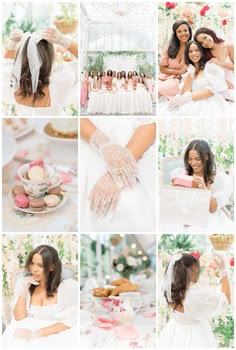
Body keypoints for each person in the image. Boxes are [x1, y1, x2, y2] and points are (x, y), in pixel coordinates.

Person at [80, 118, 156, 232]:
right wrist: (103, 143)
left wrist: (118, 170)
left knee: (127, 205)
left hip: (135, 141)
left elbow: (150, 124)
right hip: (89, 134)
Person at [2, 245, 78, 347]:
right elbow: (19, 317)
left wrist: (35, 334)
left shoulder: (67, 288)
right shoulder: (24, 283)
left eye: (40, 265)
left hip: (55, 333)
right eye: (32, 264)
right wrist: (24, 290)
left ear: (51, 267)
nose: (34, 269)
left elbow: (68, 322)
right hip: (28, 330)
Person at [159, 252, 231, 348]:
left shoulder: (169, 291)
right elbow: (226, 299)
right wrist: (223, 269)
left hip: (175, 333)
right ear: (190, 270)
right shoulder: (194, 296)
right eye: (196, 267)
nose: (198, 270)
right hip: (196, 336)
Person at [160, 139, 233, 233]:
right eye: (190, 159)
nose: (193, 163)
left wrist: (203, 188)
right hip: (183, 214)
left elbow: (213, 209)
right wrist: (175, 189)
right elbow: (174, 203)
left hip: (207, 216)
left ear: (206, 156)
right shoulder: (182, 174)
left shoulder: (219, 179)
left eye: (197, 159)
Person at [3, 27, 78, 116]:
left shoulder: (12, 84)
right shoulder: (60, 82)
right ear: (50, 58)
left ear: (22, 57)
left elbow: (6, 62)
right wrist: (63, 40)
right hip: (55, 127)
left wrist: (12, 44)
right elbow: (85, 61)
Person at [159, 41, 234, 116]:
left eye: (197, 50)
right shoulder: (191, 70)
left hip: (209, 103)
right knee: (168, 112)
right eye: (190, 51)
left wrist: (188, 97)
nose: (194, 53)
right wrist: (191, 72)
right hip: (193, 101)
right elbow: (185, 92)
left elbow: (211, 90)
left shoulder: (210, 66)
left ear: (201, 52)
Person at [194, 27, 234, 101]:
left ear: (210, 33)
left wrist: (220, 63)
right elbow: (206, 73)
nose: (205, 42)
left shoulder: (228, 46)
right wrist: (221, 82)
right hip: (214, 84)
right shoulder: (205, 54)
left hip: (229, 84)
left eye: (205, 37)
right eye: (201, 43)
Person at [158, 20, 192, 99]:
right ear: (176, 34)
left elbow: (183, 70)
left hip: (181, 79)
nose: (183, 33)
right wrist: (177, 71)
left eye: (185, 30)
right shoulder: (170, 46)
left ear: (189, 32)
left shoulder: (192, 47)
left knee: (163, 88)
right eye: (179, 31)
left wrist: (175, 71)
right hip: (165, 77)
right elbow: (162, 68)